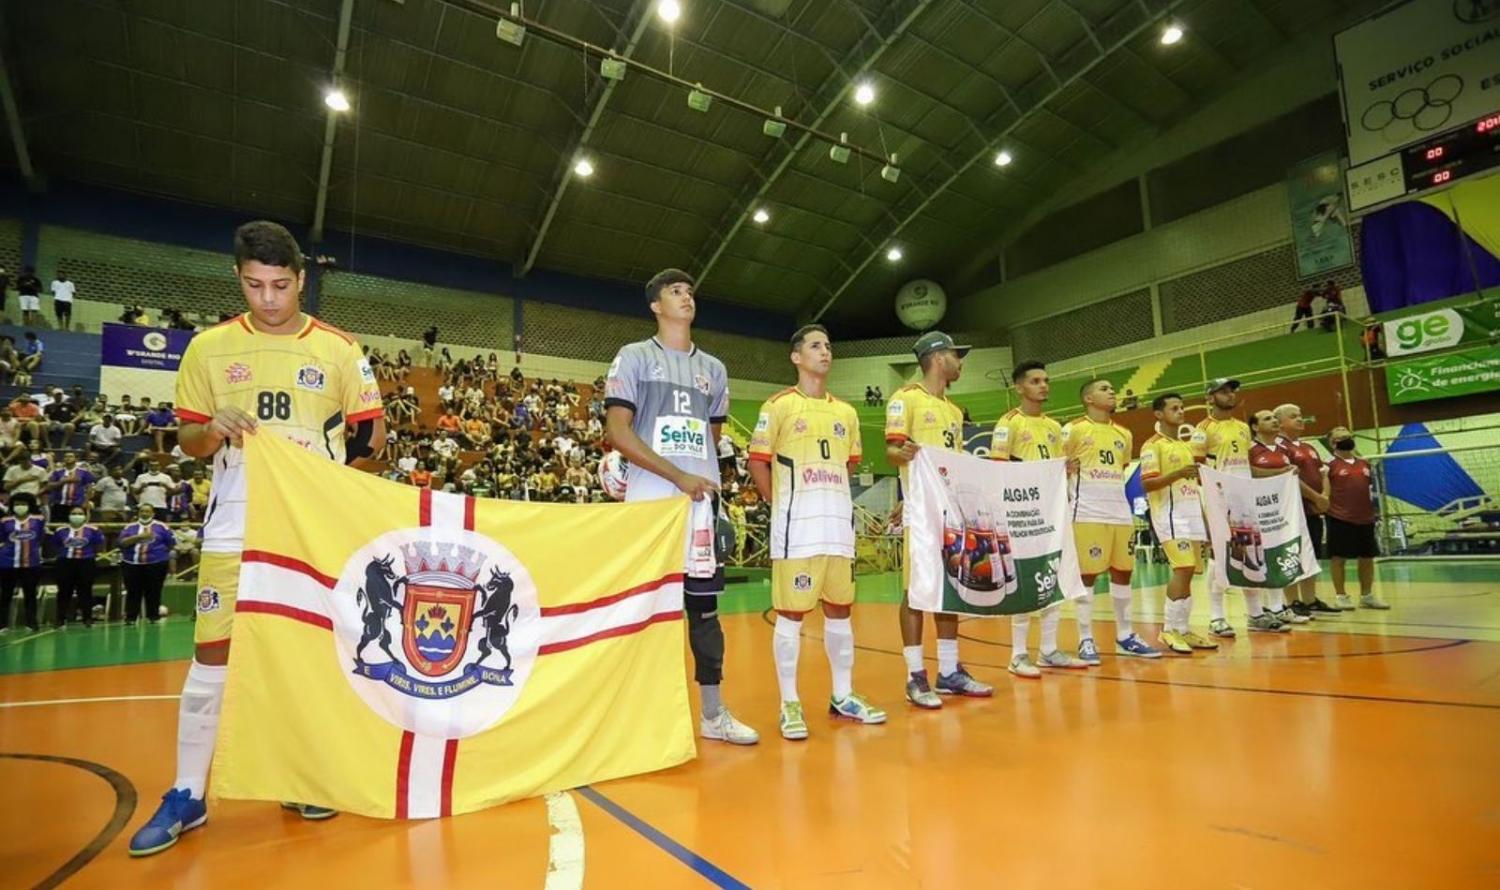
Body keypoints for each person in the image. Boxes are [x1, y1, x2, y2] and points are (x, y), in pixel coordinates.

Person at [127, 221, 385, 856]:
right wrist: (211, 429)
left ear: (301, 279)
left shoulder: (340, 349)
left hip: (310, 531)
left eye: (279, 285)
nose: (267, 298)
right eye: (253, 285)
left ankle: (297, 775)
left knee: (304, 652)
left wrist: (330, 485)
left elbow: (373, 442)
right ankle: (188, 793)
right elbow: (188, 441)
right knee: (213, 655)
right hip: (235, 524)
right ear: (238, 279)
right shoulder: (207, 349)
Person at [604, 267, 758, 745]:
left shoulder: (713, 368)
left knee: (704, 611)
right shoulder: (632, 357)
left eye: (689, 291)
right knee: (644, 610)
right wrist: (677, 474)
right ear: (656, 305)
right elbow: (617, 430)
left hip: (697, 506)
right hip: (651, 503)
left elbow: (710, 438)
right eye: (675, 291)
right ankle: (634, 718)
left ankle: (713, 715)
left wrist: (698, 478)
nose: (686, 297)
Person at [748, 324, 884, 740]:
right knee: (791, 613)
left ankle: (842, 695)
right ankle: (789, 702)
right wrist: (782, 507)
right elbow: (758, 462)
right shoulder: (778, 406)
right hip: (797, 531)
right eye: (815, 346)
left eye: (828, 346)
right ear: (796, 357)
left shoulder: (846, 412)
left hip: (837, 529)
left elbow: (848, 466)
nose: (825, 352)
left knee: (840, 608)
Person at [885, 331, 993, 707]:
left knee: (951, 588)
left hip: (952, 513)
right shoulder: (905, 399)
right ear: (936, 358)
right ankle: (915, 676)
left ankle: (949, 671)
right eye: (955, 355)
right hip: (922, 510)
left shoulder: (952, 409)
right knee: (915, 591)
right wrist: (906, 455)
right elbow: (892, 451)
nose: (961, 362)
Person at [993, 361, 1089, 677]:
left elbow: (1053, 467)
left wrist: (1067, 468)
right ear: (1019, 387)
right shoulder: (1008, 424)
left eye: (1046, 380)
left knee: (1053, 575)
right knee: (1024, 580)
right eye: (1035, 381)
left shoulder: (1052, 427)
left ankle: (1048, 650)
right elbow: (998, 470)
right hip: (1023, 515)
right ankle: (1018, 654)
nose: (1043, 386)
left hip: (1052, 513)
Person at [1065, 379, 1160, 660]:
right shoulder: (1073, 430)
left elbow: (1119, 469)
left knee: (1123, 572)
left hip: (1119, 512)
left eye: (1112, 387)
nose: (1112, 392)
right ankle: (1085, 638)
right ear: (1088, 398)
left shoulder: (1124, 433)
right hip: (1086, 513)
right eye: (1104, 389)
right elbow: (1057, 467)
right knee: (1088, 575)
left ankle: (1125, 635)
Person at [1140, 393, 1219, 655]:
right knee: (1182, 568)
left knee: (1190, 572)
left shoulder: (1186, 447)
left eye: (1182, 407)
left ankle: (1183, 629)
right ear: (1159, 414)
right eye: (1174, 408)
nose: (1181, 411)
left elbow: (1196, 487)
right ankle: (1169, 629)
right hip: (1169, 515)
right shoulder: (1152, 445)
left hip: (1192, 513)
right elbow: (1147, 484)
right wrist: (1176, 474)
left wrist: (1206, 523)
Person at [1190, 378, 1253, 638]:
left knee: (1250, 550)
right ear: (1210, 397)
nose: (1230, 395)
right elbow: (1196, 470)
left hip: (1245, 497)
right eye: (1223, 391)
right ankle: (1216, 617)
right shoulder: (1202, 430)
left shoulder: (1242, 427)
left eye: (1232, 391)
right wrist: (1211, 502)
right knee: (1220, 555)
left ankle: (1256, 612)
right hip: (1219, 499)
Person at [1274, 403, 1336, 618]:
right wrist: (1316, 497)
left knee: (1312, 555)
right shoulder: (1279, 448)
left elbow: (1323, 473)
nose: (1300, 419)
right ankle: (1292, 602)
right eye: (1294, 416)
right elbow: (1290, 477)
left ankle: (1310, 600)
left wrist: (1325, 497)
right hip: (1293, 511)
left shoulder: (1308, 447)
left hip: (1313, 510)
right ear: (1279, 423)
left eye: (1300, 415)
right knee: (1292, 555)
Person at [1248, 410, 1304, 628]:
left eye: (1274, 417)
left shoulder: (1283, 449)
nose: (1274, 421)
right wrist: (1280, 472)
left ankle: (1278, 607)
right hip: (1260, 511)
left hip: (1282, 512)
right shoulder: (1250, 449)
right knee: (1263, 559)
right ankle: (1263, 609)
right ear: (1255, 427)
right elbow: (1248, 472)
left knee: (1280, 556)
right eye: (1267, 418)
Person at [1324, 427, 1389, 610]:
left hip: (1365, 518)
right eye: (1342, 437)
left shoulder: (1364, 464)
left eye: (1348, 436)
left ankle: (1367, 596)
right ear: (1333, 443)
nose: (1347, 439)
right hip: (1339, 517)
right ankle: (1341, 596)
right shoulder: (1329, 465)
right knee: (1338, 558)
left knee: (1367, 557)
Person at [118, 503, 175, 625]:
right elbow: (122, 543)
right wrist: (139, 537)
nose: (145, 513)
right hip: (132, 563)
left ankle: (153, 617)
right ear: (138, 513)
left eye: (147, 511)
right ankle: (131, 618)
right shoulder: (129, 527)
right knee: (133, 592)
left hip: (156, 564)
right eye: (142, 511)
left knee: (154, 591)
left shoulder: (162, 527)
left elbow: (171, 543)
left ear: (153, 513)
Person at [50, 507, 107, 628]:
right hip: (65, 563)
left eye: (80, 513)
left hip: (86, 562)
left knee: (85, 591)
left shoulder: (94, 530)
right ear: (69, 515)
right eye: (74, 513)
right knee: (64, 591)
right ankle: (60, 619)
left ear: (85, 516)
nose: (77, 515)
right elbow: (55, 545)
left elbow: (99, 545)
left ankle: (87, 618)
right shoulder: (61, 530)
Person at [0, 494, 46, 633]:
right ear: (12, 505)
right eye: (17, 504)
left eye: (23, 503)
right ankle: (2, 625)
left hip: (31, 563)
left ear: (30, 505)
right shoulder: (4, 521)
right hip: (7, 563)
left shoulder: (39, 520)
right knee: (5, 595)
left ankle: (31, 623)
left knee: (30, 594)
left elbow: (41, 538)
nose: (20, 506)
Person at [45, 452, 96, 523]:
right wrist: (63, 481)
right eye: (66, 457)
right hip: (59, 503)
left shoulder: (84, 472)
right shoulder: (58, 472)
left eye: (71, 456)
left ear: (76, 459)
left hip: (77, 503)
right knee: (58, 525)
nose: (68, 458)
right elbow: (50, 485)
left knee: (76, 524)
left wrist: (86, 501)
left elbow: (89, 487)